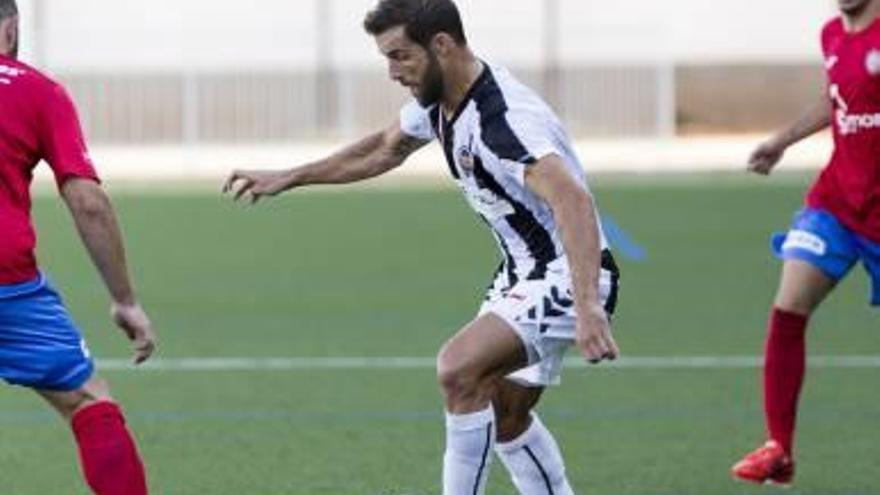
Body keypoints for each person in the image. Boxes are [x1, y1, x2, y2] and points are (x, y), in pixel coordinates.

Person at [224, 1, 620, 493]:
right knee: (506, 413)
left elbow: (573, 200)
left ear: (442, 45)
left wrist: (587, 306)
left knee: (459, 369)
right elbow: (385, 148)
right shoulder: (442, 98)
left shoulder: (505, 120)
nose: (392, 71)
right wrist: (291, 176)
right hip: (521, 272)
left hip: (568, 272)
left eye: (400, 56)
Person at [0, 2, 157, 493]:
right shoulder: (37, 90)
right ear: (10, 27)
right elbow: (87, 201)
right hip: (8, 284)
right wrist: (125, 299)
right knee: (89, 402)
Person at [731, 0, 880, 486]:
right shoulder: (832, 35)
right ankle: (779, 447)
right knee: (789, 306)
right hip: (837, 202)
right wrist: (782, 140)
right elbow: (836, 98)